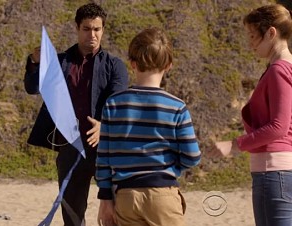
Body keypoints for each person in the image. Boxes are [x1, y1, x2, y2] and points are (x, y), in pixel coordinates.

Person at [23, 3, 129, 226]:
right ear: (77, 28)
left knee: (117, 215)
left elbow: (118, 102)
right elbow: (32, 87)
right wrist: (34, 62)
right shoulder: (60, 62)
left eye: (97, 29)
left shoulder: (115, 65)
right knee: (72, 217)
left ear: (103, 30)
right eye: (87, 29)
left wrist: (104, 125)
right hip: (70, 148)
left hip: (106, 149)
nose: (92, 35)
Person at [95, 27, 201, 226]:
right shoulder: (177, 107)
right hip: (163, 195)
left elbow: (103, 159)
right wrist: (171, 169)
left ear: (132, 63)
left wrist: (105, 199)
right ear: (169, 65)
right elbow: (192, 157)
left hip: (126, 196)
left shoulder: (113, 103)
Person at [209, 4, 292, 226]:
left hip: (274, 172)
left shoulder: (278, 70)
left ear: (271, 33)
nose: (250, 44)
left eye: (253, 36)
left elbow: (279, 127)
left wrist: (234, 144)